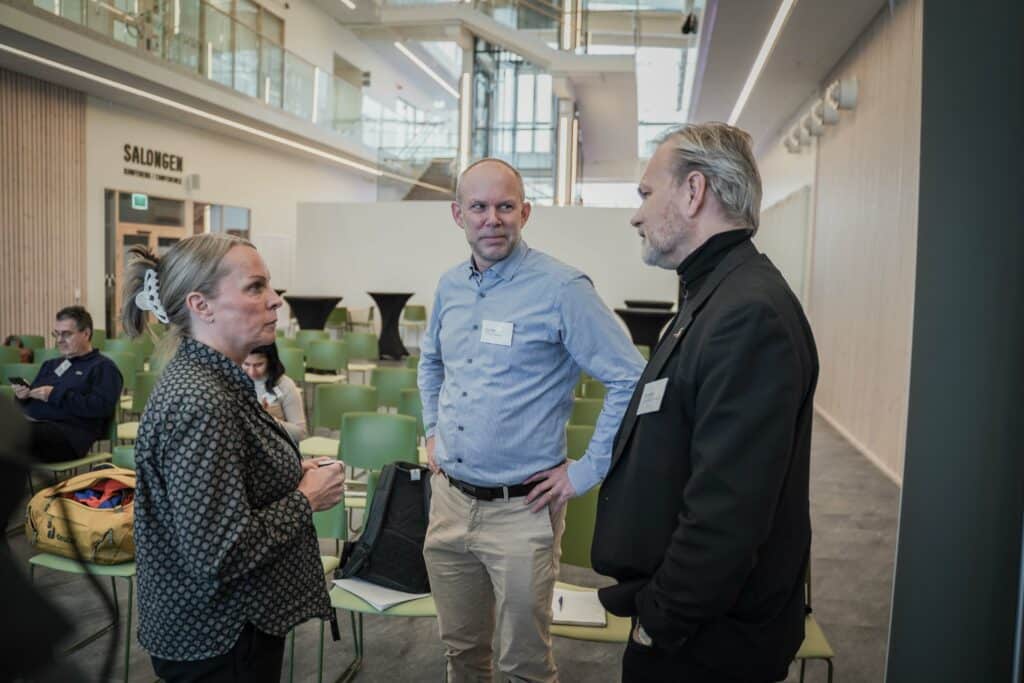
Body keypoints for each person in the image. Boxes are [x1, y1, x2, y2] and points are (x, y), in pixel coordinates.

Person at [591, 123, 819, 683]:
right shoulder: (715, 293)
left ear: (694, 192)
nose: (636, 215)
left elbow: (728, 509)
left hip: (707, 641)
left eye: (646, 193)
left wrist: (660, 621)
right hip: (696, 626)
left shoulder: (747, 313)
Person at [419, 157, 645, 682]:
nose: (491, 218)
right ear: (458, 214)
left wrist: (585, 471)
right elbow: (431, 362)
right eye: (478, 207)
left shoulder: (563, 289)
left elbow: (630, 379)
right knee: (461, 653)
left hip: (522, 510)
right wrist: (432, 430)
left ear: (525, 212)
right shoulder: (449, 287)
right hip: (449, 502)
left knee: (523, 663)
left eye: (504, 206)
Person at [122, 233, 345, 682]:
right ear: (201, 305)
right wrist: (306, 499)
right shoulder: (202, 401)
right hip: (220, 637)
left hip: (222, 630)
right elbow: (219, 554)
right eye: (255, 287)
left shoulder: (213, 381)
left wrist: (282, 473)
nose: (276, 301)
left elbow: (221, 487)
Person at [14, 306, 122, 462]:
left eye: (66, 334)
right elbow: (28, 406)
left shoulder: (103, 367)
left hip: (68, 437)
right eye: (56, 334)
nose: (59, 340)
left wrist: (54, 395)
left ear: (86, 333)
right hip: (34, 426)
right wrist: (22, 397)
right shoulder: (50, 365)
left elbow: (101, 408)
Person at [242, 343, 307, 442]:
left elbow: (300, 433)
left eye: (259, 365)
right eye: (246, 364)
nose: (252, 372)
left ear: (270, 361)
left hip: (275, 447)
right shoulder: (235, 380)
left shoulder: (285, 385)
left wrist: (270, 419)